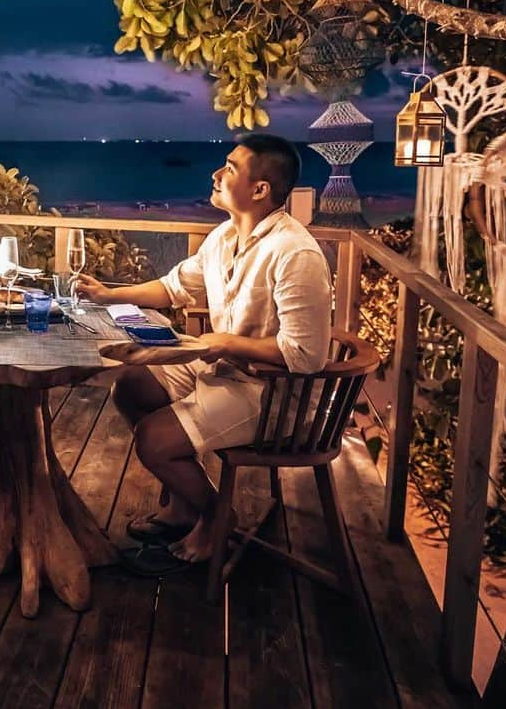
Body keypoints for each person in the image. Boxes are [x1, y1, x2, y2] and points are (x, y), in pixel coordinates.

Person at [76, 134, 331, 571]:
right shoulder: (224, 237)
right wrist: (108, 294)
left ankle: (217, 516)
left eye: (229, 167)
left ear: (260, 189)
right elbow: (174, 288)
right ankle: (182, 504)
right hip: (224, 371)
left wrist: (226, 342)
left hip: (272, 394)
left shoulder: (295, 253)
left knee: (153, 440)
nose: (216, 173)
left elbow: (306, 356)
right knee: (132, 385)